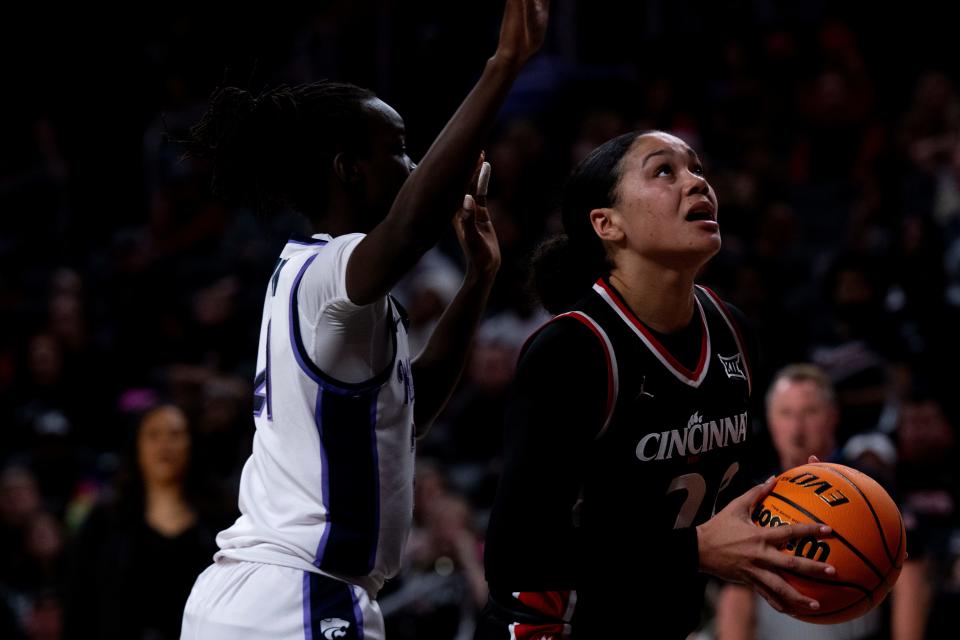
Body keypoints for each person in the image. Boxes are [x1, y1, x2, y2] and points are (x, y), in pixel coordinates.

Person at [179, 2, 550, 638]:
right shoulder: (329, 272)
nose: (410, 170)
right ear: (348, 168)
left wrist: (479, 279)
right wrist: (504, 64)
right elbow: (411, 225)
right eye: (399, 152)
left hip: (261, 594)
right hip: (295, 598)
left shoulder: (321, 286)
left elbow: (411, 409)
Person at [475, 131, 835, 639]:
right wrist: (694, 550)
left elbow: (714, 482)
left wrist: (795, 497)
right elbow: (517, 555)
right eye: (665, 171)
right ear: (607, 224)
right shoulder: (573, 349)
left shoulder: (732, 329)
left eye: (697, 169)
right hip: (556, 629)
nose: (697, 183)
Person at [715, 363, 887, 639]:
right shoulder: (751, 493)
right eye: (786, 413)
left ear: (832, 415)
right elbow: (737, 592)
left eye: (809, 412)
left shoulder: (869, 489)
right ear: (770, 421)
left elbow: (909, 575)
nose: (797, 428)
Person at [64, 403, 221, 640]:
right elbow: (79, 603)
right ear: (136, 445)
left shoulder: (222, 518)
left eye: (175, 434)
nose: (165, 445)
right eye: (153, 435)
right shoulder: (104, 520)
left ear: (193, 443)